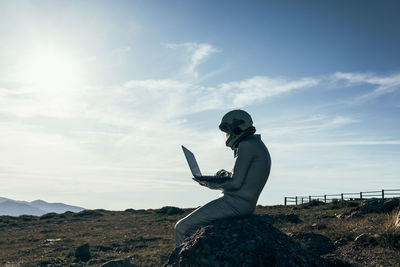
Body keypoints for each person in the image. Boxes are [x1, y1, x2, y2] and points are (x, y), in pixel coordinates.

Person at [174, 109, 271, 247]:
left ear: (237, 128)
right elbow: (241, 178)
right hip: (242, 203)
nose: (227, 135)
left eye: (227, 131)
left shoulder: (246, 145)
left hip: (235, 203)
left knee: (181, 227)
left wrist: (210, 183)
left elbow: (236, 184)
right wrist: (225, 176)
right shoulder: (255, 144)